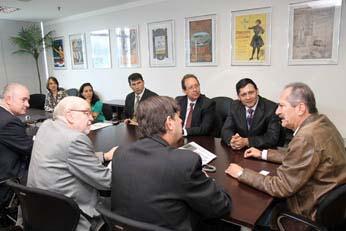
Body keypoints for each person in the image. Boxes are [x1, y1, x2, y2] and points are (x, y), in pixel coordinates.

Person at [225, 82, 346, 226]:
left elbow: (280, 187)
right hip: (329, 202)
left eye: (282, 106)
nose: (277, 111)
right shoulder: (321, 122)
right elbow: (298, 155)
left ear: (300, 108)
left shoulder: (306, 138)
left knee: (246, 211)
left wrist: (241, 173)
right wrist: (262, 154)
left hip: (305, 211)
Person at [111, 96, 231, 231]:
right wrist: (208, 181)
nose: (181, 121)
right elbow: (221, 206)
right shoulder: (184, 162)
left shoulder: (120, 153)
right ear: (169, 123)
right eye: (178, 117)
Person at [26, 96, 117, 231]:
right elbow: (106, 182)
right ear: (69, 115)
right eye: (86, 113)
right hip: (71, 216)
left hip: (39, 210)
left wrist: (104, 156)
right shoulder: (75, 139)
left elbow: (65, 157)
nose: (91, 118)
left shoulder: (46, 126)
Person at [221, 78, 281, 149]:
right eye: (243, 94)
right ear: (238, 97)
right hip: (240, 151)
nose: (248, 97)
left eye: (251, 92)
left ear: (257, 91)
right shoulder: (234, 105)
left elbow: (272, 137)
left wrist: (247, 141)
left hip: (262, 151)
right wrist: (233, 140)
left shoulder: (272, 108)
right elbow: (226, 129)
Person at [0, 83, 33, 206]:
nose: (28, 105)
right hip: (8, 183)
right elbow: (31, 148)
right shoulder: (9, 122)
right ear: (8, 99)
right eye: (23, 100)